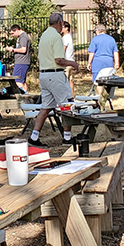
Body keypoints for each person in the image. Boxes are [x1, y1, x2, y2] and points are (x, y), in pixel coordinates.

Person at [29, 12, 79, 147]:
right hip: (55, 75)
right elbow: (59, 60)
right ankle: (67, 138)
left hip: (44, 75)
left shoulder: (44, 35)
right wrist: (73, 63)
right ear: (60, 22)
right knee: (66, 105)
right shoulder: (56, 37)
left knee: (45, 107)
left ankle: (34, 136)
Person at [6, 24, 31, 92]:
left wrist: (13, 49)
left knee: (18, 82)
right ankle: (26, 97)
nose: (13, 35)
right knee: (22, 81)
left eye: (13, 33)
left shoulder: (23, 37)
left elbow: (23, 49)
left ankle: (21, 98)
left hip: (21, 62)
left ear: (16, 30)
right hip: (21, 62)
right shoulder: (21, 37)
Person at [61, 20, 75, 85]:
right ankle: (72, 95)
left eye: (62, 27)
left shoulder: (65, 37)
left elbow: (63, 49)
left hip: (66, 62)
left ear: (67, 28)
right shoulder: (69, 36)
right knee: (70, 80)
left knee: (64, 81)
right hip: (71, 61)